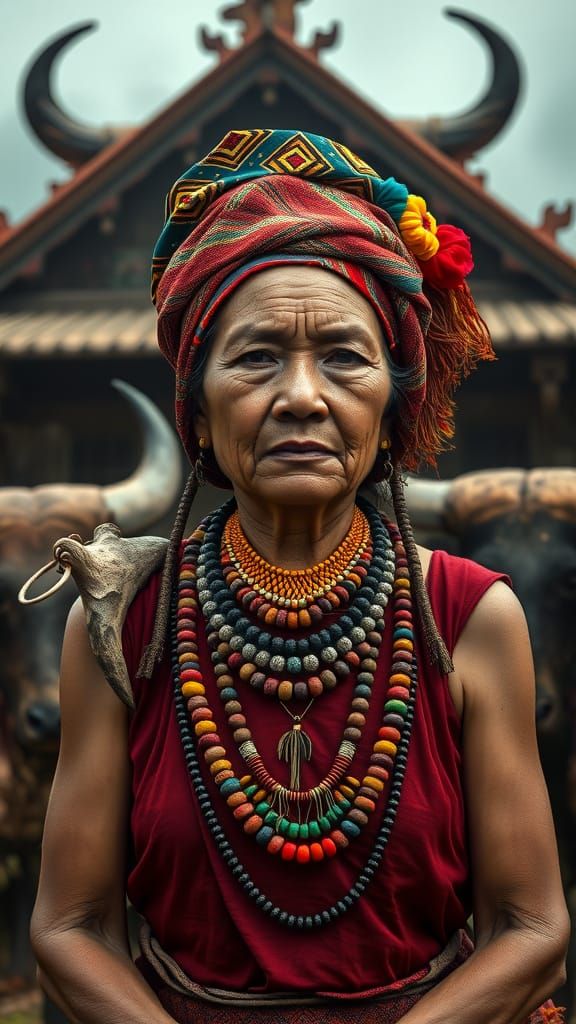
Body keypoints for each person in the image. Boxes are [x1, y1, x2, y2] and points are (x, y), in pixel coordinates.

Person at [29, 129, 569, 1023]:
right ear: (196, 412)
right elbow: (71, 924)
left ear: (393, 409)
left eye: (346, 359)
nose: (303, 396)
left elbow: (534, 925)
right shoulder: (123, 626)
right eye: (255, 357)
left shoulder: (471, 618)